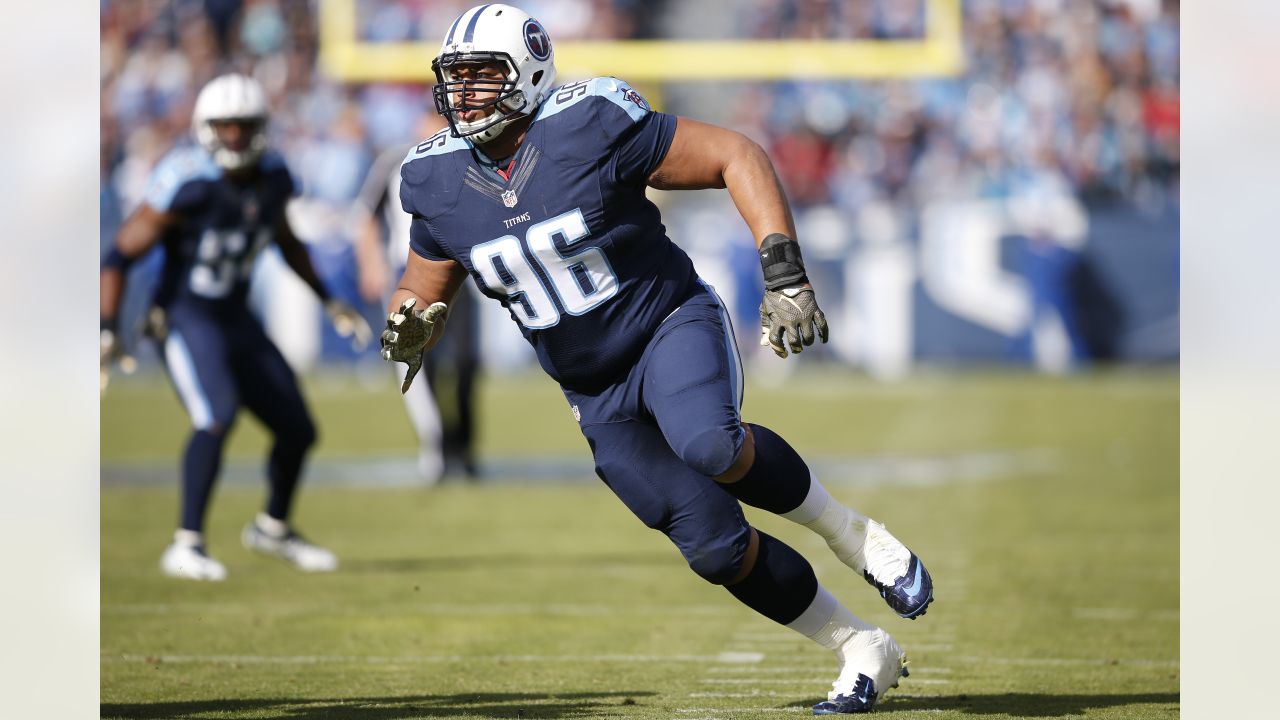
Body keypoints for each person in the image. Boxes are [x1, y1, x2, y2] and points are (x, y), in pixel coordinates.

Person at [379, 5, 934, 714]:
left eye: (484, 75)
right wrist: (407, 324)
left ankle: (851, 534)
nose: (465, 93)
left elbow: (737, 155)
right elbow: (422, 288)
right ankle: (861, 647)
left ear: (530, 72)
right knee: (714, 548)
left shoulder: (588, 125)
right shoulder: (435, 180)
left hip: (666, 324)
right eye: (455, 78)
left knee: (708, 442)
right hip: (591, 389)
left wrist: (784, 274)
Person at [100, 73, 373, 581]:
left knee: (298, 429)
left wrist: (330, 301)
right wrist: (108, 327)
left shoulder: (273, 175)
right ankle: (186, 543)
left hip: (235, 315)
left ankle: (273, 529)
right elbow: (118, 255)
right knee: (216, 415)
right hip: (184, 313)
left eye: (244, 127)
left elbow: (287, 241)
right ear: (206, 129)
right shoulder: (187, 178)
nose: (234, 137)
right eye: (224, 127)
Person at [353, 115, 481, 483]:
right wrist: (371, 264)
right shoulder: (397, 159)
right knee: (415, 358)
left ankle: (465, 446)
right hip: (410, 274)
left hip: (461, 273)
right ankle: (434, 446)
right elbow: (365, 215)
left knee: (467, 363)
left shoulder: (469, 154)